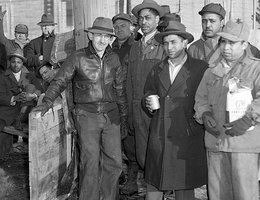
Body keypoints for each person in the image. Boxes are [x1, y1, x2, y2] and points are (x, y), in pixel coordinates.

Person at [32, 17, 128, 200]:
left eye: (106, 37)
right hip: (87, 116)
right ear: (90, 36)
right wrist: (47, 101)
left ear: (111, 39)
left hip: (111, 116)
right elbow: (60, 81)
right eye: (98, 35)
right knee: (90, 162)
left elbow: (120, 91)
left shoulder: (114, 59)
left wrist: (124, 118)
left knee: (115, 163)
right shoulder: (78, 57)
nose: (102, 40)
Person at [194, 20, 260, 200]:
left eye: (232, 42)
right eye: (223, 42)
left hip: (243, 144)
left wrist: (248, 119)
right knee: (217, 194)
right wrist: (205, 114)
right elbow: (201, 98)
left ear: (244, 44)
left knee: (244, 194)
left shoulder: (255, 69)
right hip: (216, 142)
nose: (226, 47)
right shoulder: (212, 71)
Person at [142, 21, 207, 200]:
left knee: (184, 189)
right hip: (160, 135)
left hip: (184, 136)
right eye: (165, 43)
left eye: (174, 42)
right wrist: (147, 103)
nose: (169, 47)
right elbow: (148, 92)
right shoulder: (157, 69)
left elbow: (206, 99)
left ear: (184, 43)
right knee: (154, 185)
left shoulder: (199, 68)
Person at [128, 0, 165, 172]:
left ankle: (161, 192)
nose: (143, 22)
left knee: (159, 152)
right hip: (136, 108)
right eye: (141, 18)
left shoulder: (164, 45)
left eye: (148, 18)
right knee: (142, 153)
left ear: (157, 20)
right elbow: (129, 81)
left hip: (155, 109)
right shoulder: (134, 47)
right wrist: (128, 110)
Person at [112, 13, 139, 195]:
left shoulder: (136, 47)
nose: (119, 29)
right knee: (115, 140)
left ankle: (132, 180)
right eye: (116, 26)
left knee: (131, 142)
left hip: (130, 99)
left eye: (123, 25)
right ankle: (118, 174)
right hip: (114, 100)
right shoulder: (111, 48)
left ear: (132, 28)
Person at [188, 3, 260, 63]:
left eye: (212, 21)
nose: (207, 25)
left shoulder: (243, 46)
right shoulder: (193, 48)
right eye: (204, 21)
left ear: (222, 23)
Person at [0, 48, 41, 139]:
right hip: (9, 110)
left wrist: (32, 96)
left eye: (19, 62)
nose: (16, 65)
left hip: (27, 110)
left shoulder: (30, 75)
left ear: (22, 63)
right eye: (13, 62)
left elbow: (40, 90)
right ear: (9, 62)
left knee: (30, 87)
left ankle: (19, 119)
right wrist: (14, 98)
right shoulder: (2, 77)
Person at [26, 14, 58, 79]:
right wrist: (38, 58)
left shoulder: (58, 40)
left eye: (48, 25)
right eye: (43, 26)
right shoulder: (34, 42)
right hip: (39, 77)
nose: (46, 28)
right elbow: (28, 60)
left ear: (53, 27)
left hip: (56, 77)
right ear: (41, 27)